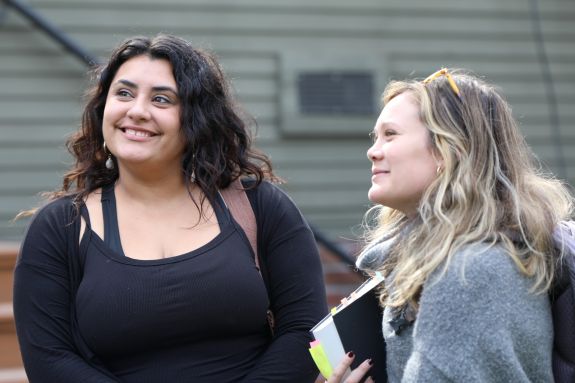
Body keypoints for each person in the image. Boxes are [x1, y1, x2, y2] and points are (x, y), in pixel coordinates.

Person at [13, 34, 328, 383]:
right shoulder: (61, 227)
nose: (137, 111)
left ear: (197, 119)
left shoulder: (259, 206)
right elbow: (50, 359)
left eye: (162, 99)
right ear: (104, 108)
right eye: (124, 93)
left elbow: (305, 330)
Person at [327, 68, 574, 382]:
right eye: (375, 137)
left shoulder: (469, 272)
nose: (372, 151)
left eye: (390, 134)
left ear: (447, 150)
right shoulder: (449, 263)